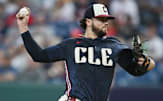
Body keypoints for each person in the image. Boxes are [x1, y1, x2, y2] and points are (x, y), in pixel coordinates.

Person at [16, 3, 155, 101]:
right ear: (88, 22)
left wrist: (146, 61)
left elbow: (138, 69)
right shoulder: (71, 45)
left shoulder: (114, 45)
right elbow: (39, 55)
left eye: (107, 19)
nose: (106, 22)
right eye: (101, 19)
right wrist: (23, 27)